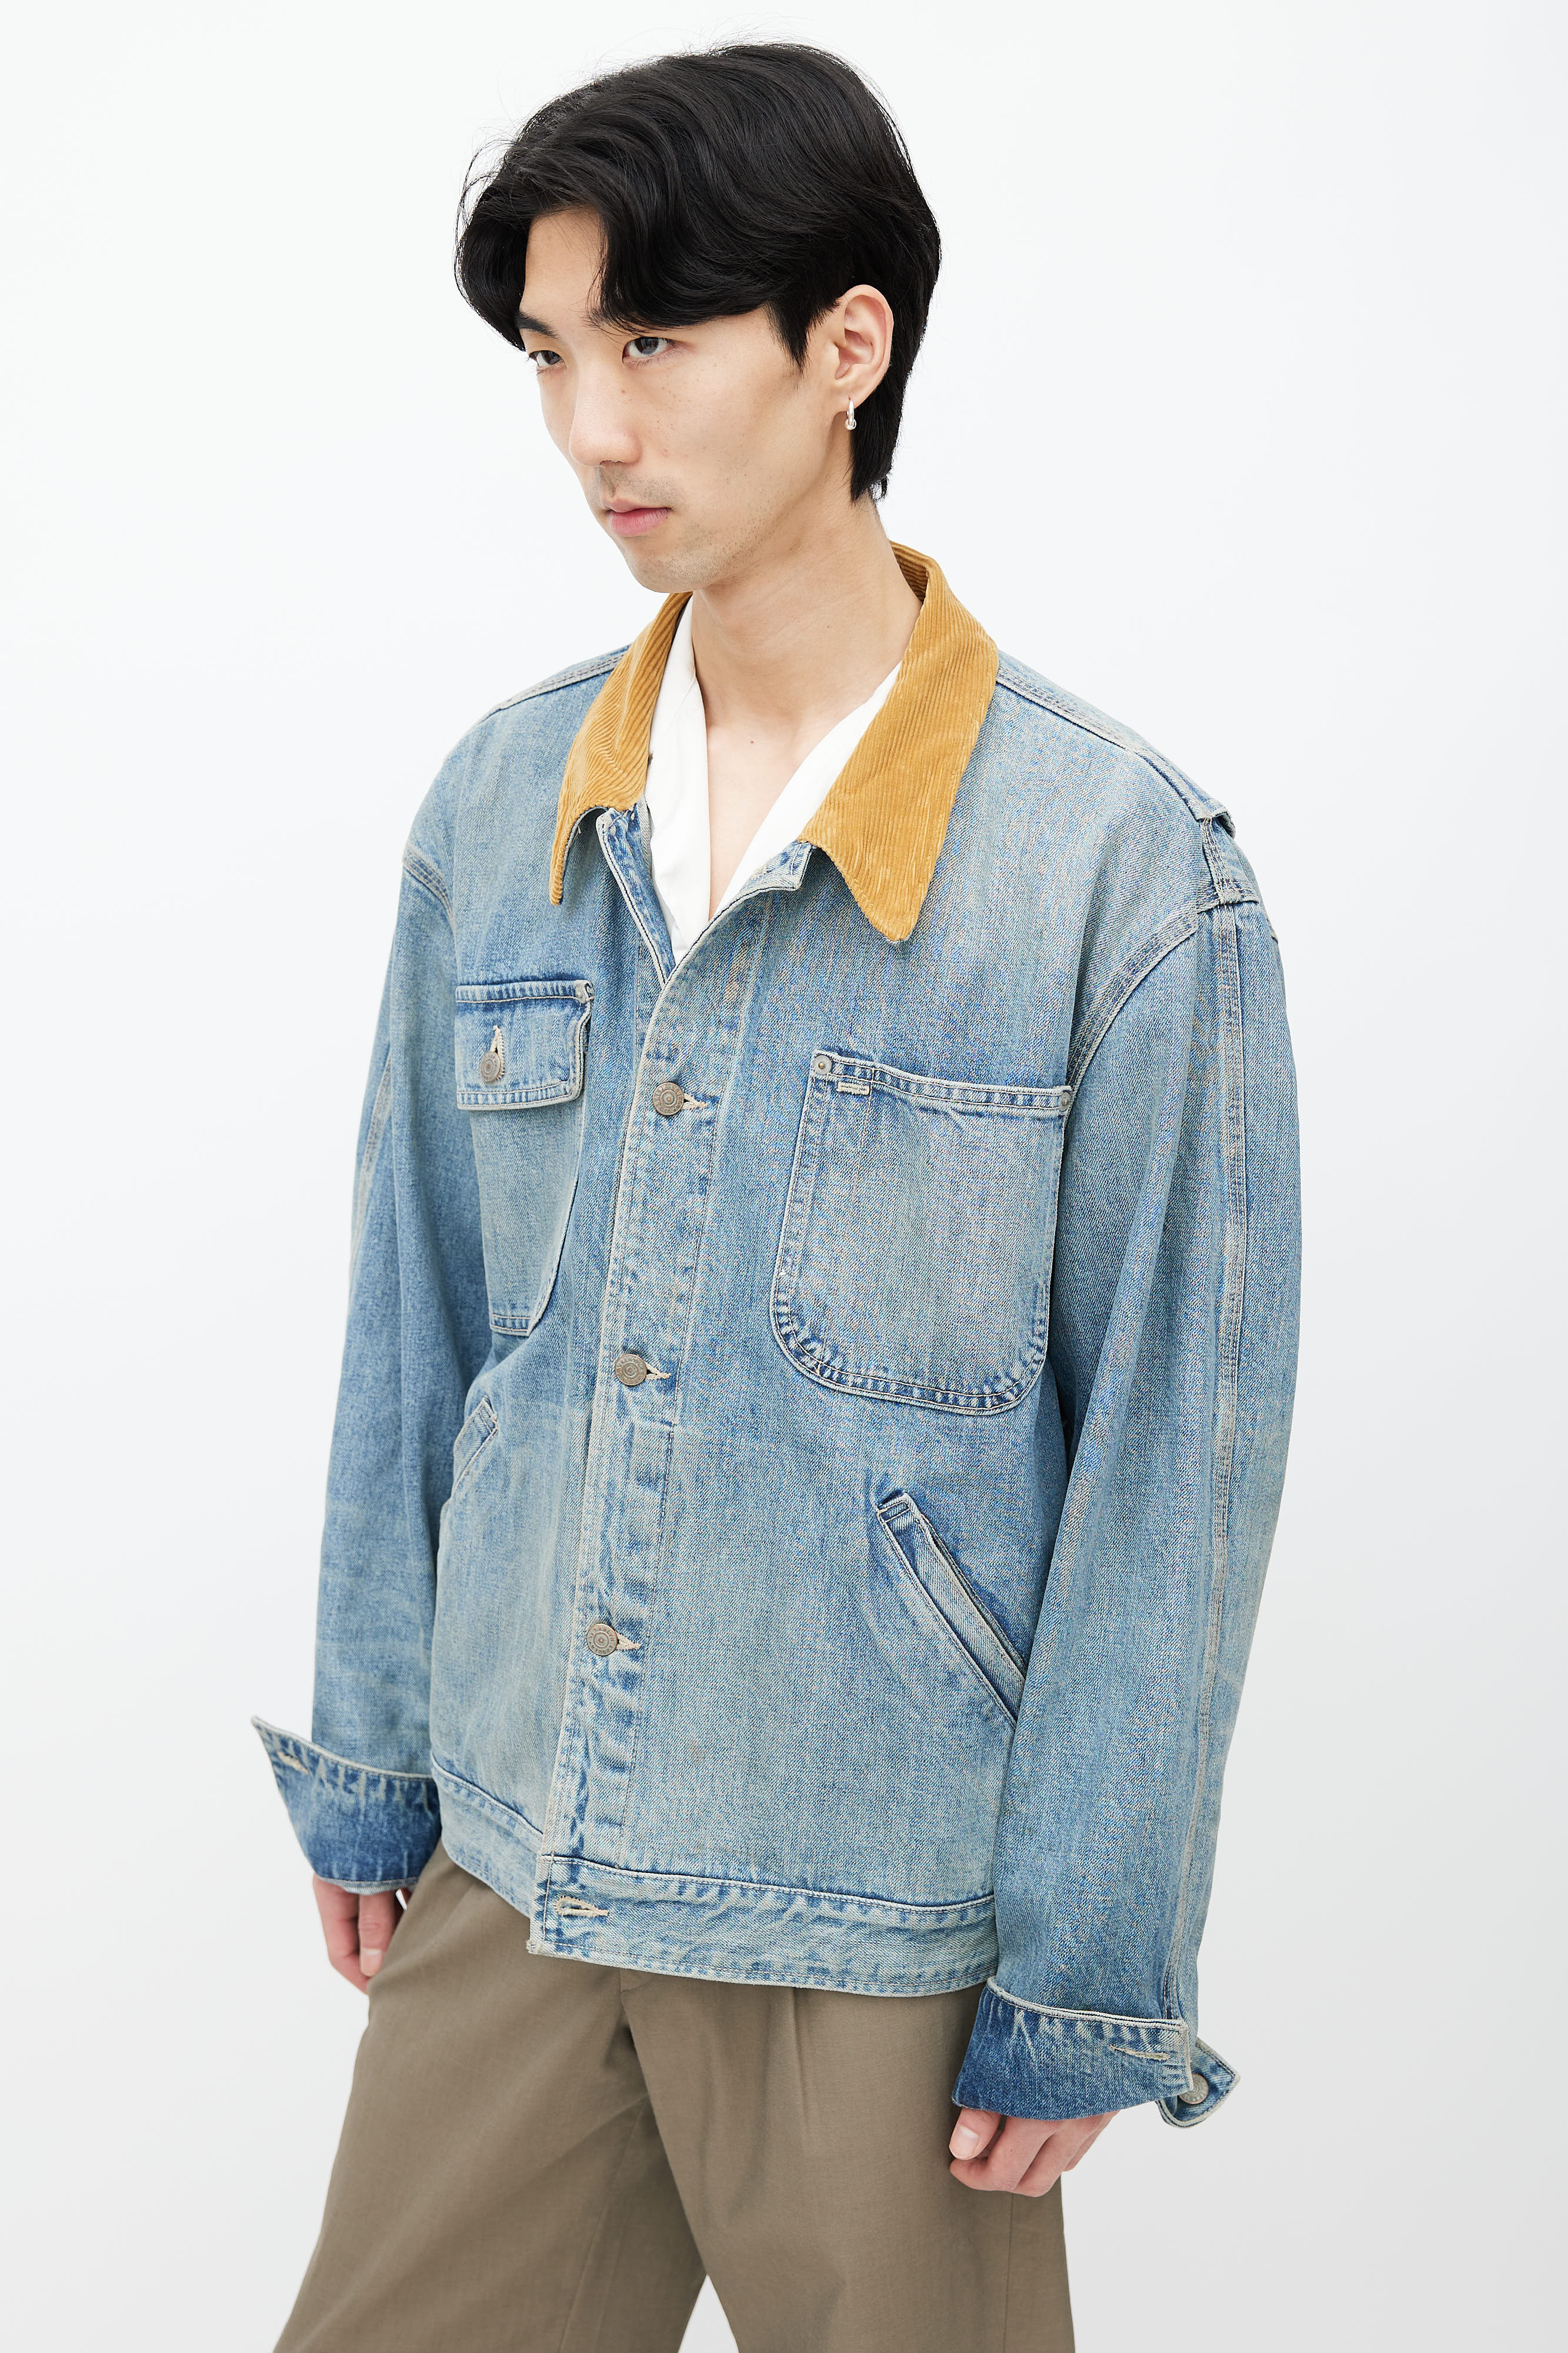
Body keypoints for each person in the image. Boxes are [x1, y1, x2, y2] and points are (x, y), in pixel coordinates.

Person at [255, 41, 1301, 2352]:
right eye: (552, 356)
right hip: (514, 1863)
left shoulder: (1111, 867)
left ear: (847, 346)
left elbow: (1176, 1461)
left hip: (880, 1916)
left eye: (650, 343)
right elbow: (413, 1323)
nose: (591, 430)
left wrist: (1090, 1955)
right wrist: (374, 1758)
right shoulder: (504, 803)